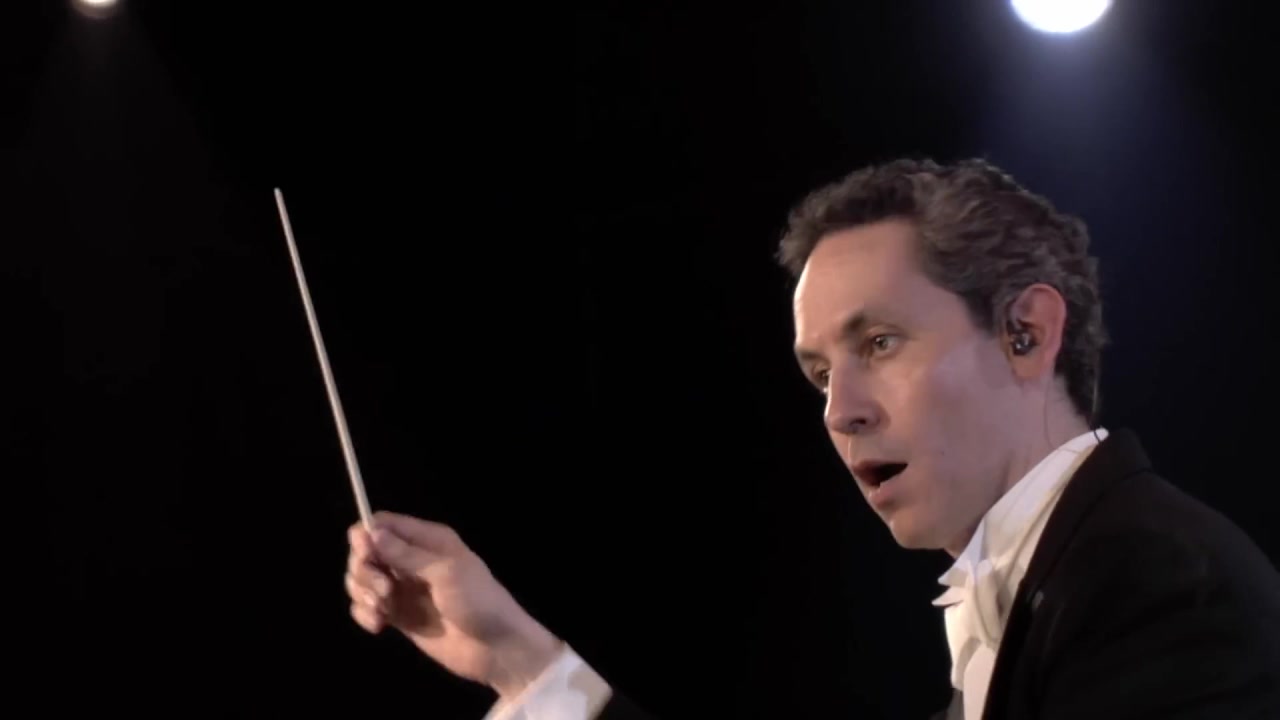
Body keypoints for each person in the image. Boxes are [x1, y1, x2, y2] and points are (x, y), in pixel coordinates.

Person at [344, 158, 1280, 719]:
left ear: (1025, 333)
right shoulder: (1068, 587)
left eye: (879, 344)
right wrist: (519, 662)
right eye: (821, 374)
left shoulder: (1156, 583)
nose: (840, 412)